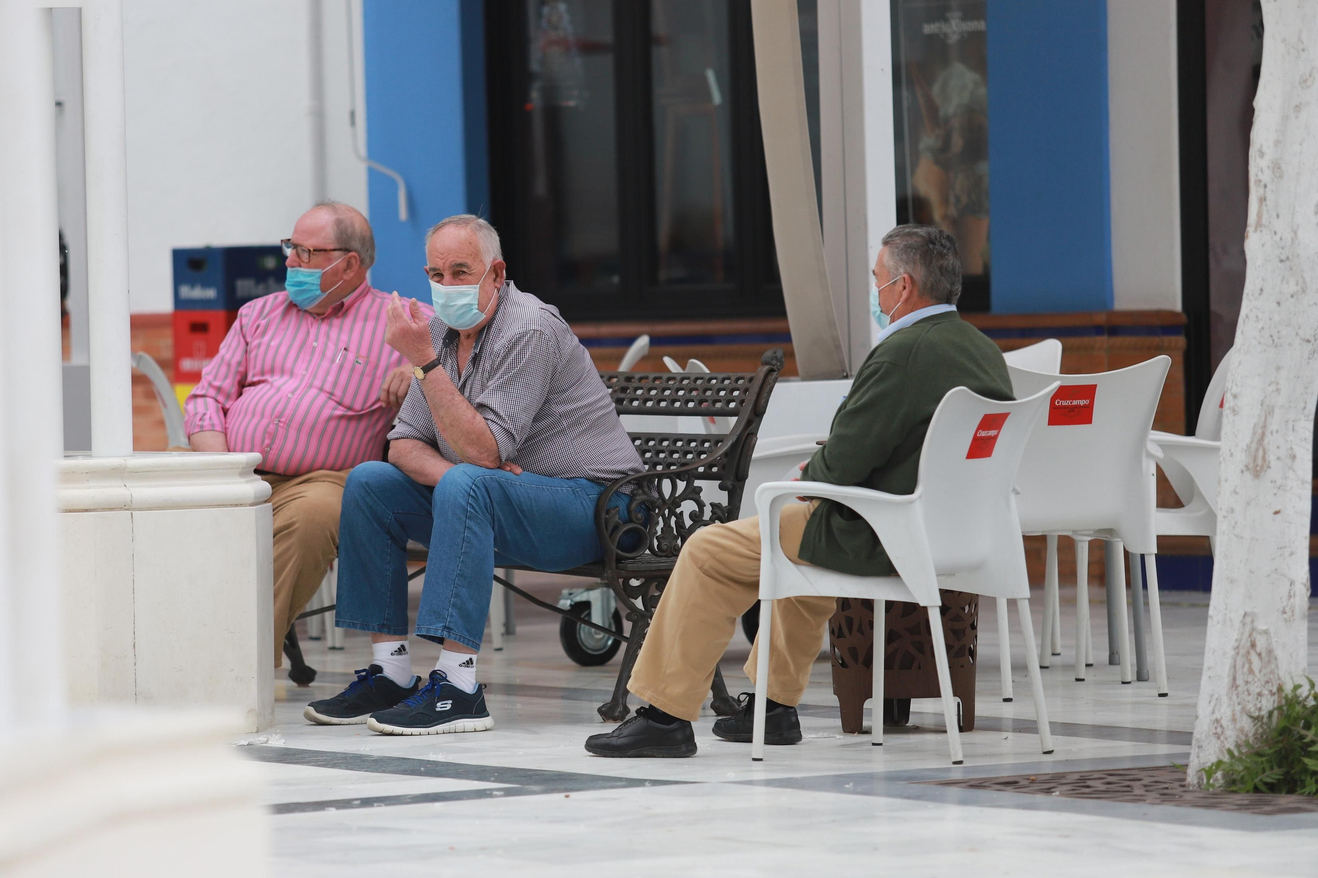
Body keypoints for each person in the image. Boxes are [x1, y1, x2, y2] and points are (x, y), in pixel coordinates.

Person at [583, 224, 1013, 758]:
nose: (876, 294)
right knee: (803, 535)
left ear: (903, 287)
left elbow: (846, 461)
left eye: (878, 280)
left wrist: (812, 474)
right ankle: (773, 708)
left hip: (885, 533)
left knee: (709, 551)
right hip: (957, 534)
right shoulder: (986, 353)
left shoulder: (903, 353)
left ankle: (664, 713)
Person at [303, 214, 643, 735]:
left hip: (598, 505)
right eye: (436, 275)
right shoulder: (437, 332)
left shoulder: (528, 328)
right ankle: (391, 673)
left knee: (468, 482)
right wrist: (462, 477)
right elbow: (402, 444)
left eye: (461, 271)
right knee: (370, 482)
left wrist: (470, 470)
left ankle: (459, 687)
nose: (446, 287)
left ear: (497, 273)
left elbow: (484, 452)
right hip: (510, 500)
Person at [184, 202, 412, 667]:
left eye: (305, 252)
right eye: (290, 247)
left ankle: (234, 665)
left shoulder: (402, 323)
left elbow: (463, 357)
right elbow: (207, 399)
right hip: (233, 466)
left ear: (348, 263)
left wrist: (422, 368)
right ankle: (151, 642)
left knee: (312, 517)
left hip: (324, 480)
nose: (289, 261)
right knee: (151, 498)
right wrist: (223, 472)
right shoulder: (257, 314)